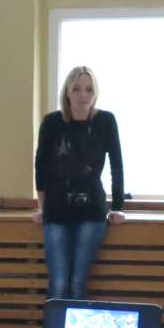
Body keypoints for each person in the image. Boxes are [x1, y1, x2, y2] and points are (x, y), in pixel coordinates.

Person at [34, 66, 124, 302]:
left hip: (91, 211)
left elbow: (117, 165)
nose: (83, 94)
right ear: (67, 92)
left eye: (88, 89)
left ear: (96, 93)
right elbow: (41, 166)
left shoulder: (106, 120)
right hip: (56, 210)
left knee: (77, 282)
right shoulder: (52, 122)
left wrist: (118, 206)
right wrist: (42, 206)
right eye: (76, 89)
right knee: (59, 282)